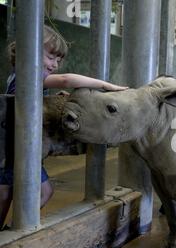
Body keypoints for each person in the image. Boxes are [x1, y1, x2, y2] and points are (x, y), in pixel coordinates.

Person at [0, 25, 128, 230]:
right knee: (13, 194)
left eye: (58, 60)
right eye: (51, 57)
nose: (55, 64)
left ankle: (15, 228)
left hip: (21, 151)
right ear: (27, 52)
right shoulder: (27, 77)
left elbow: (30, 102)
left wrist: (50, 99)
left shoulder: (21, 78)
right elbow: (66, 79)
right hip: (13, 152)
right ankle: (14, 230)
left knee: (34, 192)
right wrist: (106, 86)